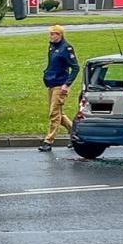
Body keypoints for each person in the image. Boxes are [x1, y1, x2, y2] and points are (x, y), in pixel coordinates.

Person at [39, 24, 79, 152]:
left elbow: (75, 67)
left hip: (60, 85)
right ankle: (75, 134)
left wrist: (67, 84)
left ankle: (48, 141)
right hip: (51, 83)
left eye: (53, 34)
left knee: (54, 114)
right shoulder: (52, 47)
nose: (50, 36)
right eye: (50, 34)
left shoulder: (66, 48)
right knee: (58, 114)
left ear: (59, 35)